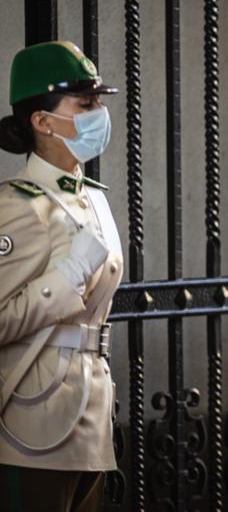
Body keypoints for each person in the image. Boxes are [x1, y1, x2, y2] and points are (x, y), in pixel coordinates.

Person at [0, 41, 121, 512]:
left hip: (92, 417)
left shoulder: (96, 199)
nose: (99, 114)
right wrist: (67, 276)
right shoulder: (17, 204)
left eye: (98, 102)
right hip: (34, 424)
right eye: (84, 104)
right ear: (42, 121)